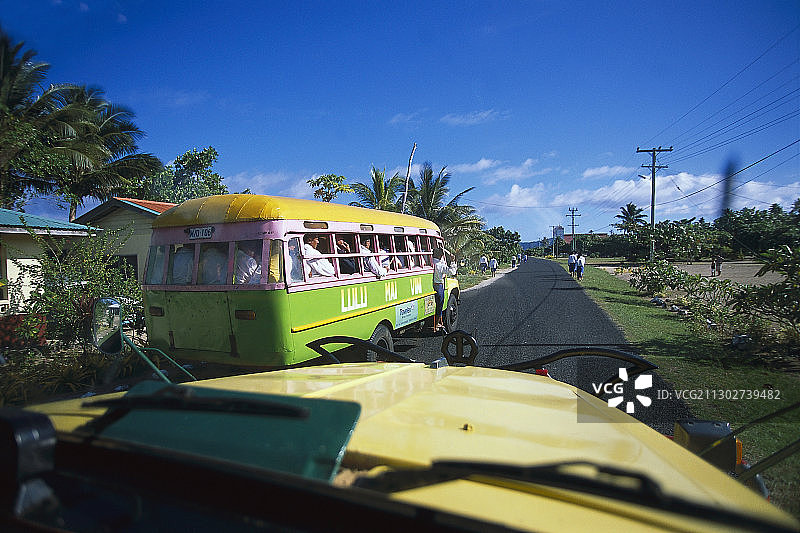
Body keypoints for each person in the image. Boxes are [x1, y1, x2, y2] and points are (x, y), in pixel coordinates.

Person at [432, 247, 457, 332]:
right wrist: (453, 261)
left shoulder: (431, 262)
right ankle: (436, 325)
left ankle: (437, 323)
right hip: (439, 285)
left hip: (432, 285)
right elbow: (452, 272)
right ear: (441, 256)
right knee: (440, 305)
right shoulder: (440, 265)